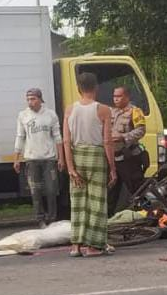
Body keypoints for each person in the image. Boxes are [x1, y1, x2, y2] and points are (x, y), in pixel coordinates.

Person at [63, 72, 116, 257]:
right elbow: (108, 141)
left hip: (76, 157)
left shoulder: (69, 110)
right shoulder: (103, 110)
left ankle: (76, 246)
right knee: (97, 203)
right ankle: (93, 246)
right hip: (96, 157)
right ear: (96, 88)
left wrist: (70, 168)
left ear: (79, 88)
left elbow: (66, 141)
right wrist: (113, 169)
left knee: (77, 203)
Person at [13, 88, 64, 228]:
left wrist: (61, 158)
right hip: (31, 158)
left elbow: (58, 137)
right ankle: (39, 218)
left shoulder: (50, 115)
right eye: (28, 99)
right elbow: (20, 137)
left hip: (49, 158)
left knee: (51, 190)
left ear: (40, 99)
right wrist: (16, 158)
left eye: (33, 99)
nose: (30, 102)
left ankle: (52, 218)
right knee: (35, 191)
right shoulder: (23, 115)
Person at [108, 86, 147, 217]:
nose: (116, 99)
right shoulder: (111, 112)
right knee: (111, 192)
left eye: (119, 96)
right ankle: (109, 220)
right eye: (114, 96)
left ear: (127, 97)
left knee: (137, 190)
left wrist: (124, 137)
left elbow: (141, 130)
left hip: (129, 157)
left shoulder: (135, 111)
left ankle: (145, 216)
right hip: (114, 159)